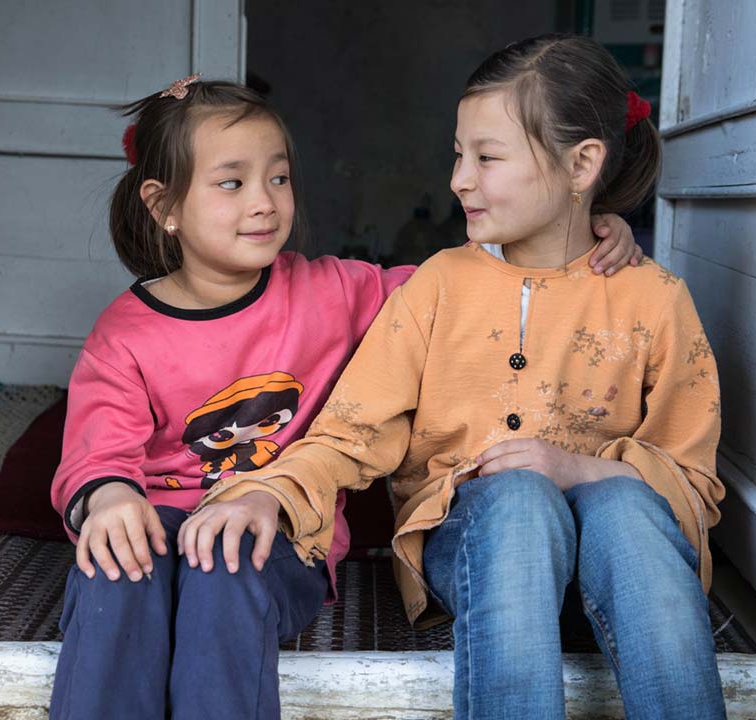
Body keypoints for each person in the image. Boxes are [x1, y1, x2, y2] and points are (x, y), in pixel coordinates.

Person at [48, 76, 641, 719]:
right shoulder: (125, 332)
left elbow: (455, 289)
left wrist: (574, 232)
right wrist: (109, 497)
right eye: (231, 182)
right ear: (164, 207)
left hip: (277, 535)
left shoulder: (332, 292)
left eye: (278, 178)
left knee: (219, 570)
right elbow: (94, 450)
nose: (265, 202)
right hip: (158, 521)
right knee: (113, 571)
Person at [187, 36, 727, 720]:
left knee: (623, 509)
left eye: (487, 157)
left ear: (581, 163)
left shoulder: (654, 299)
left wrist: (576, 468)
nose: (458, 179)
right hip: (481, 554)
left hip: (619, 571)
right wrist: (271, 493)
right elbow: (352, 433)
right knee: (520, 500)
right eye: (458, 153)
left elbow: (693, 486)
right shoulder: (439, 286)